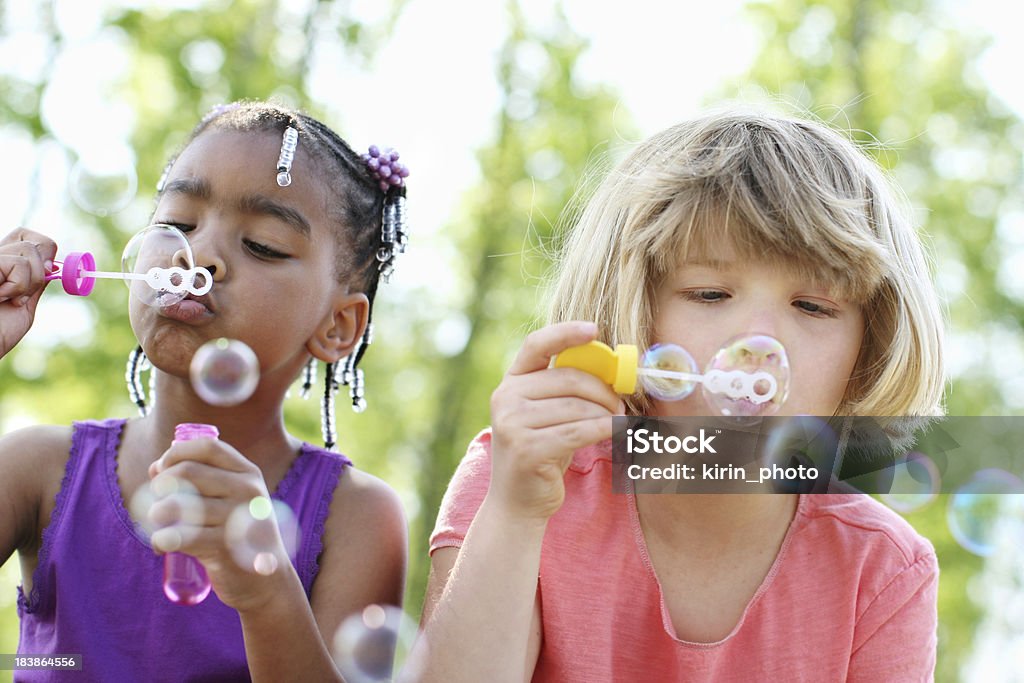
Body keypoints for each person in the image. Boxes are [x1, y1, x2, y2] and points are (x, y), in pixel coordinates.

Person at [420, 106, 945, 681]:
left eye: (813, 306)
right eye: (710, 294)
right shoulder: (521, 482)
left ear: (869, 349)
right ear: (634, 312)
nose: (759, 341)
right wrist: (515, 511)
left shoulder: (883, 568)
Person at [0, 101, 409, 681]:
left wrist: (266, 593)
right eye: (179, 224)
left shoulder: (358, 517)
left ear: (338, 324)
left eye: (263, 244)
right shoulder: (35, 469)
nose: (199, 257)